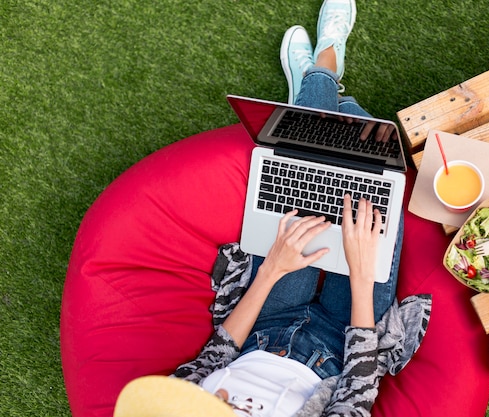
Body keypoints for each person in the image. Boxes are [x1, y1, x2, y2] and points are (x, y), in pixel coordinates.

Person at [113, 1, 431, 416]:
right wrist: (360, 272)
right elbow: (358, 388)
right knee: (377, 177)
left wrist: (271, 270)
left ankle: (323, 68)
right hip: (341, 344)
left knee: (304, 166)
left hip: (264, 318)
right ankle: (324, 84)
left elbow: (218, 353)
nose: (221, 394)